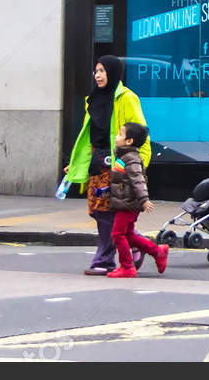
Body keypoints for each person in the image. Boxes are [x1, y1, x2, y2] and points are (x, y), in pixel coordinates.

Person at [63, 56, 151, 276]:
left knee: (107, 212)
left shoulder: (126, 98)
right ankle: (136, 246)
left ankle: (104, 259)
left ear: (113, 73)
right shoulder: (92, 100)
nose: (98, 75)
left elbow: (140, 133)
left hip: (117, 164)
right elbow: (89, 138)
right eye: (96, 71)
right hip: (96, 161)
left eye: (102, 71)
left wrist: (137, 167)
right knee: (97, 210)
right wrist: (75, 165)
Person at [105, 122, 168, 279]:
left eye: (120, 134)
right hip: (125, 202)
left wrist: (144, 199)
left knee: (117, 234)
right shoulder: (124, 156)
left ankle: (127, 267)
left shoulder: (131, 159)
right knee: (128, 234)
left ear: (129, 141)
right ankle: (157, 251)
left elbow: (138, 180)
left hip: (128, 204)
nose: (116, 136)